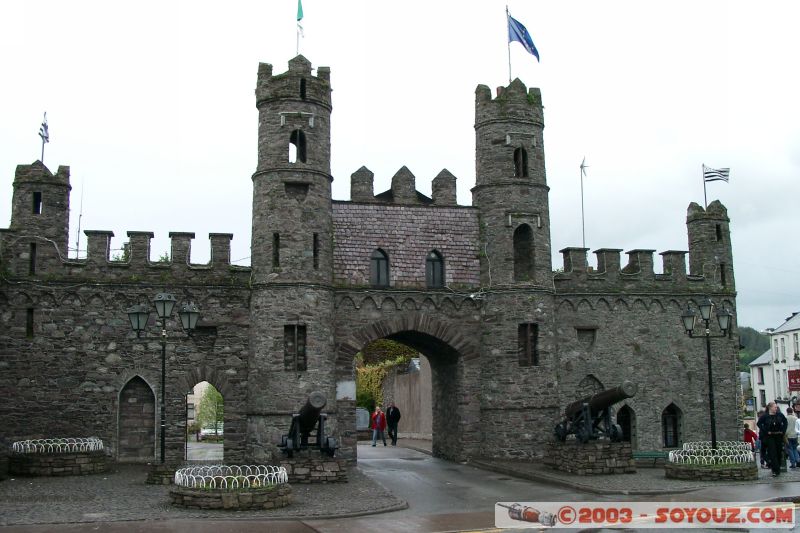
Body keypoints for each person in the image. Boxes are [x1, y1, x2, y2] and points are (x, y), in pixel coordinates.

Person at [757, 402, 787, 477]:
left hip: (778, 435)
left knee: (779, 452)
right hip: (770, 436)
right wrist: (766, 431)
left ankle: (778, 467)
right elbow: (759, 424)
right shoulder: (765, 416)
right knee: (772, 452)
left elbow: (785, 422)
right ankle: (775, 470)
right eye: (775, 407)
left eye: (776, 407)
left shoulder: (780, 415)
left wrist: (783, 431)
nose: (776, 409)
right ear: (770, 408)